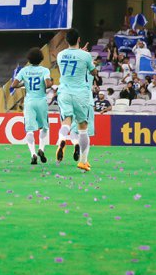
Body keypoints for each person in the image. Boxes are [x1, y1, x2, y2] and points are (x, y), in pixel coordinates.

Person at [54, 29, 97, 171]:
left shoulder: (60, 55)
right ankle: (83, 161)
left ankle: (61, 140)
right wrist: (88, 60)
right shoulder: (85, 56)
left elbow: (65, 70)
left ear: (66, 40)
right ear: (79, 39)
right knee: (83, 128)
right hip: (80, 94)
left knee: (66, 120)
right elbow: (93, 72)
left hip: (65, 91)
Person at [12, 48, 52, 165]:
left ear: (28, 59)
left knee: (29, 130)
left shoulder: (24, 71)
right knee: (44, 127)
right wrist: (47, 85)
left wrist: (23, 83)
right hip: (41, 101)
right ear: (41, 59)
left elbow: (14, 85)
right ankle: (41, 149)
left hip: (29, 101)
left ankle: (33, 154)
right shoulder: (44, 70)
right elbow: (48, 84)